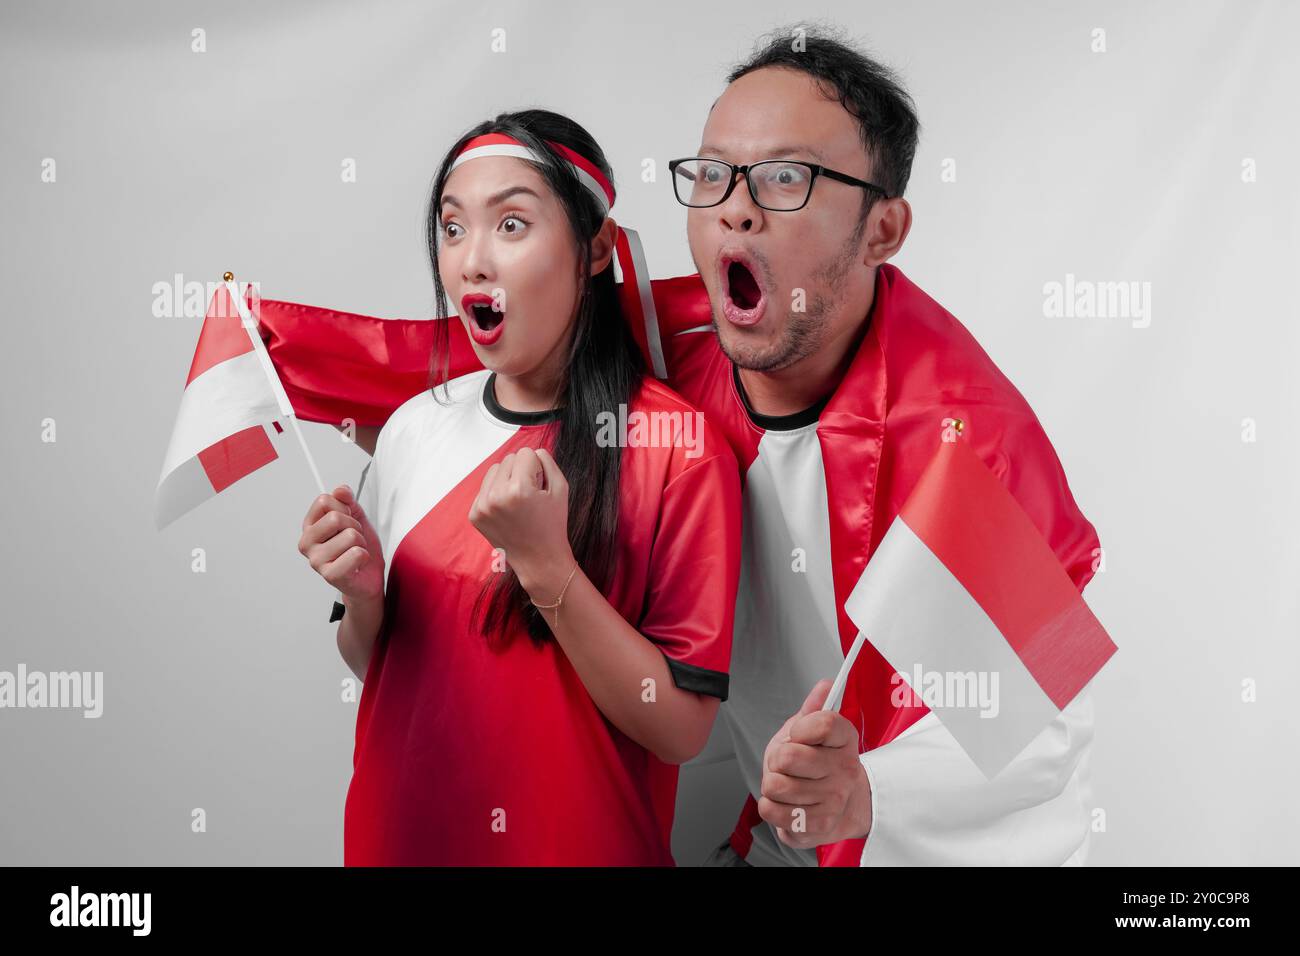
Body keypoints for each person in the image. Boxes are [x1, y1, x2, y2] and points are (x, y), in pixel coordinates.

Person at [268, 24, 1102, 867]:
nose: (735, 206)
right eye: (712, 175)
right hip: (773, 832)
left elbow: (1046, 719)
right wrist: (270, 347)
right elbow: (479, 354)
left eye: (786, 178)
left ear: (883, 231)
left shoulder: (969, 439)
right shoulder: (681, 356)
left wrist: (872, 792)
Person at [295, 110, 742, 866]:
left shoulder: (678, 447)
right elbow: (380, 671)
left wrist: (547, 567)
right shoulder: (411, 428)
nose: (472, 261)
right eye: (452, 227)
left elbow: (680, 728)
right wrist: (366, 596)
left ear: (594, 250)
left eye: (510, 225)